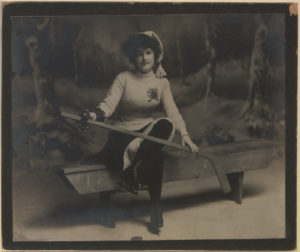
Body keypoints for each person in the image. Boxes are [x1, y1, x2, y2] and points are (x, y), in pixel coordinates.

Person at [83, 31, 198, 235]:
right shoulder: (123, 78)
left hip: (146, 134)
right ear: (132, 57)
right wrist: (95, 114)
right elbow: (108, 105)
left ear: (156, 55)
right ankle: (155, 209)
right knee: (156, 154)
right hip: (122, 135)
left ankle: (137, 177)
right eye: (139, 54)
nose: (144, 58)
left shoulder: (162, 83)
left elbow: (172, 111)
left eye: (148, 52)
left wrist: (186, 136)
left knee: (165, 124)